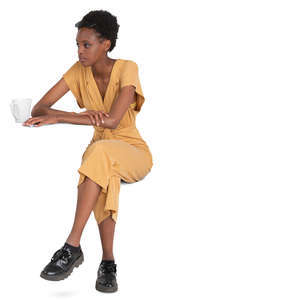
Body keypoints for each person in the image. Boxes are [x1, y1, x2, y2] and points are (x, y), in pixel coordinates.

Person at [23, 10, 153, 293]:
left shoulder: (128, 68)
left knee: (99, 154)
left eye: (87, 45)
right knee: (99, 162)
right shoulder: (76, 72)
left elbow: (113, 120)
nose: (80, 51)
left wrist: (61, 118)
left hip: (132, 151)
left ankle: (72, 245)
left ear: (106, 44)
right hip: (101, 152)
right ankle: (108, 264)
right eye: (77, 45)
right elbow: (39, 109)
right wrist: (65, 114)